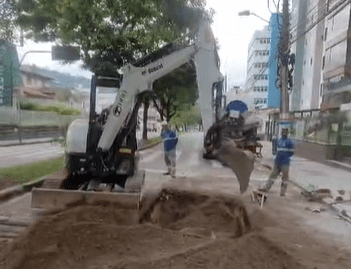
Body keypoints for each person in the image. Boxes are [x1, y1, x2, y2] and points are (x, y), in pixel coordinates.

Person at [259, 128, 294, 196]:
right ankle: (267, 187)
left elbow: (291, 152)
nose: (284, 133)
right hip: (279, 161)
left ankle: (282, 192)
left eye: (284, 132)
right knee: (274, 175)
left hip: (284, 162)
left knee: (284, 177)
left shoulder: (289, 142)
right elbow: (275, 151)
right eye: (283, 132)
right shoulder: (279, 141)